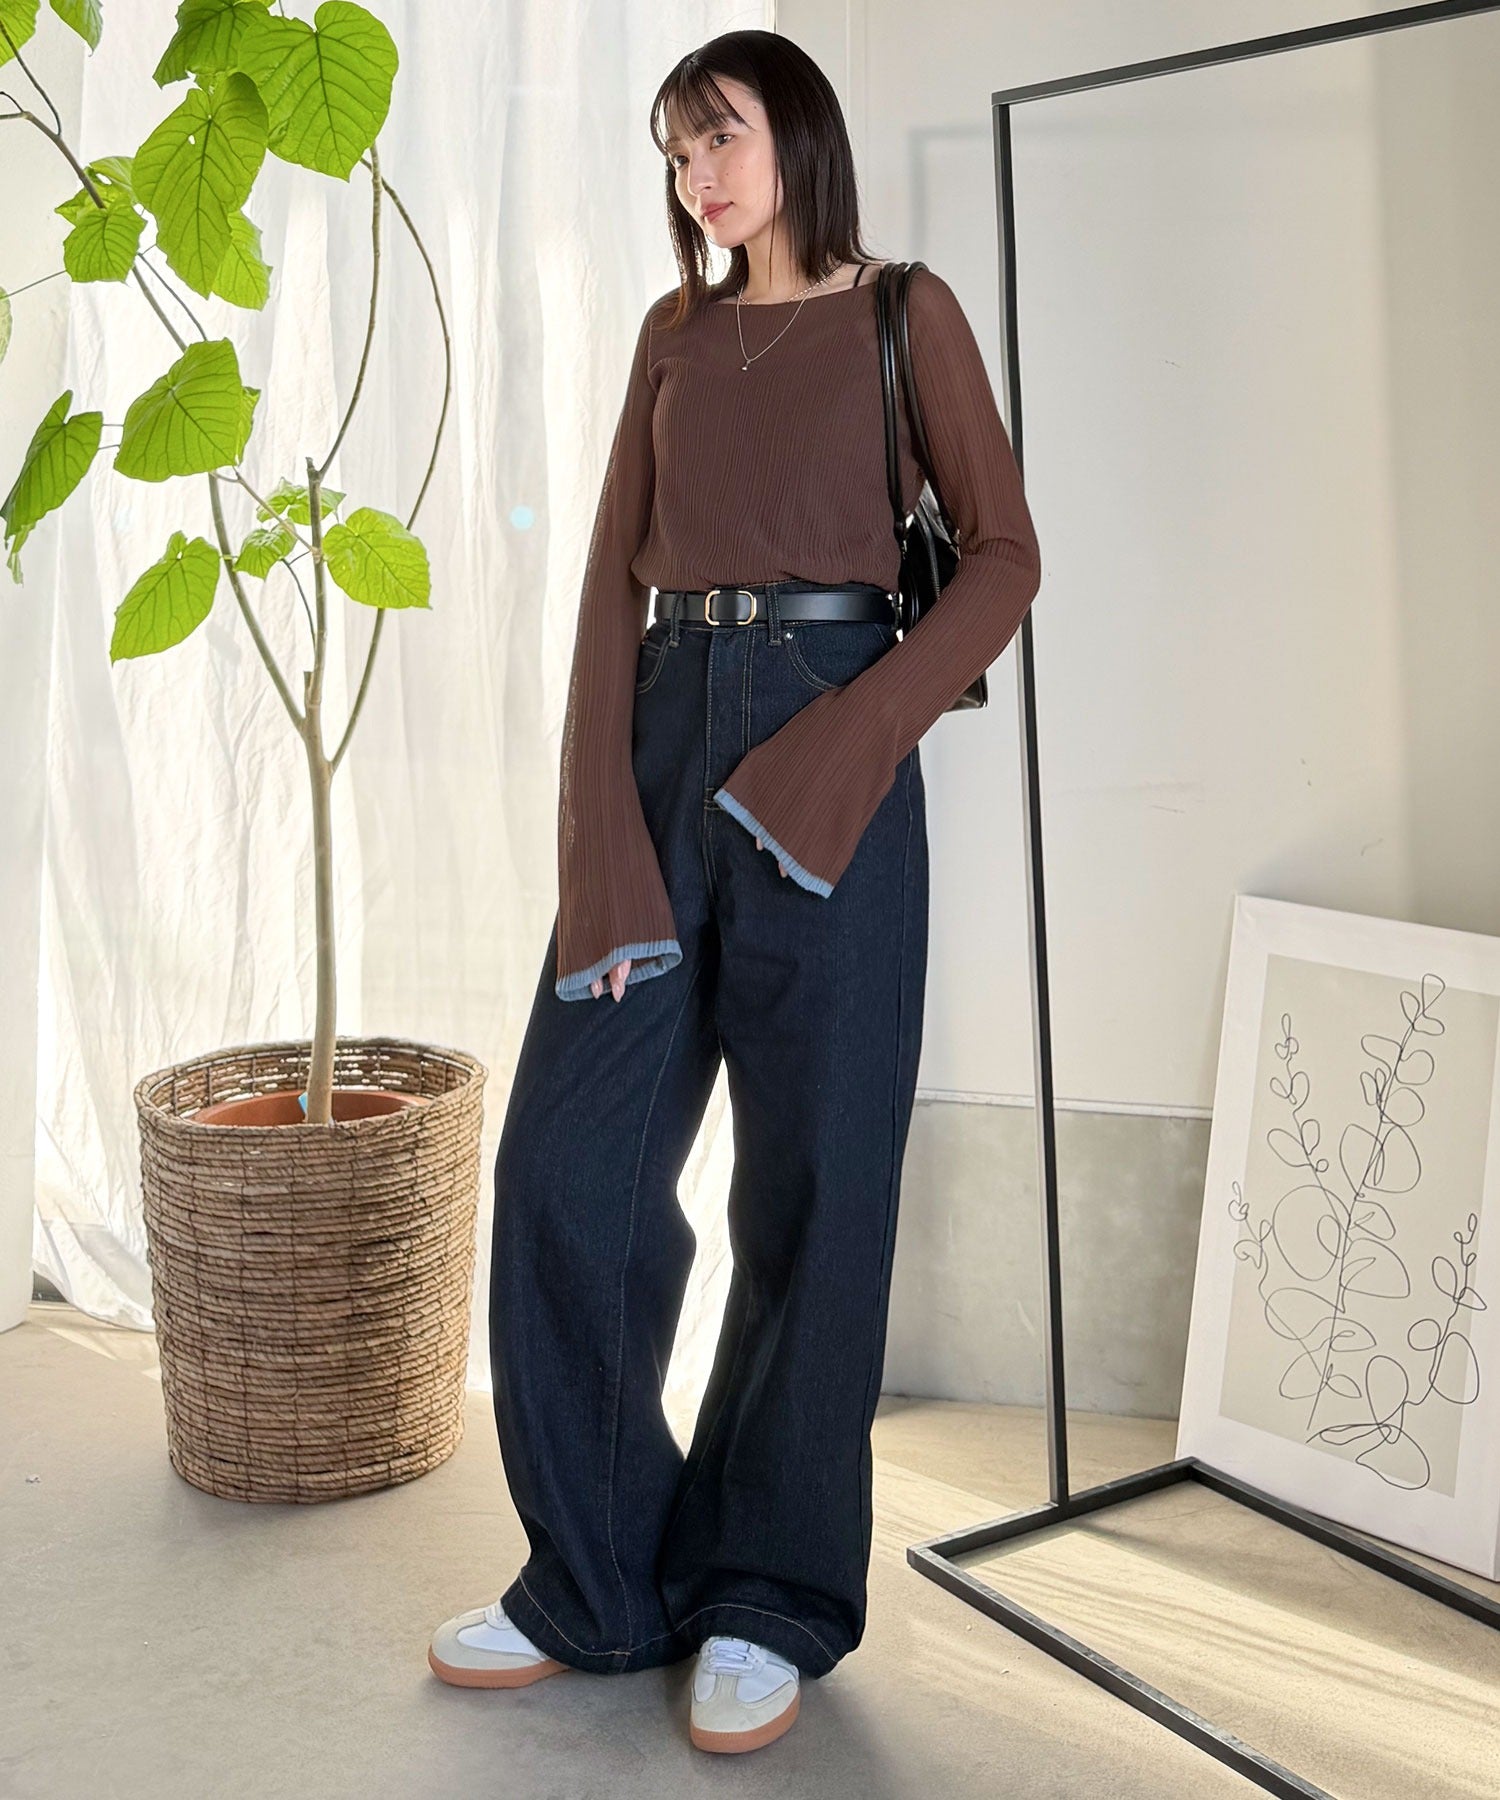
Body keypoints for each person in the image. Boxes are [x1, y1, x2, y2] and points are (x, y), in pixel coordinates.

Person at [428, 27, 1042, 1756]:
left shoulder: (903, 313)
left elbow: (1004, 560)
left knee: (813, 1194)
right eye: (676, 151)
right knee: (567, 1172)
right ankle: (597, 1582)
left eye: (722, 136)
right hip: (659, 750)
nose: (698, 175)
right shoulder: (671, 335)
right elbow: (604, 592)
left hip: (832, 758)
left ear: (798, 135)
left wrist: (847, 748)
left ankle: (766, 1595)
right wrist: (599, 844)